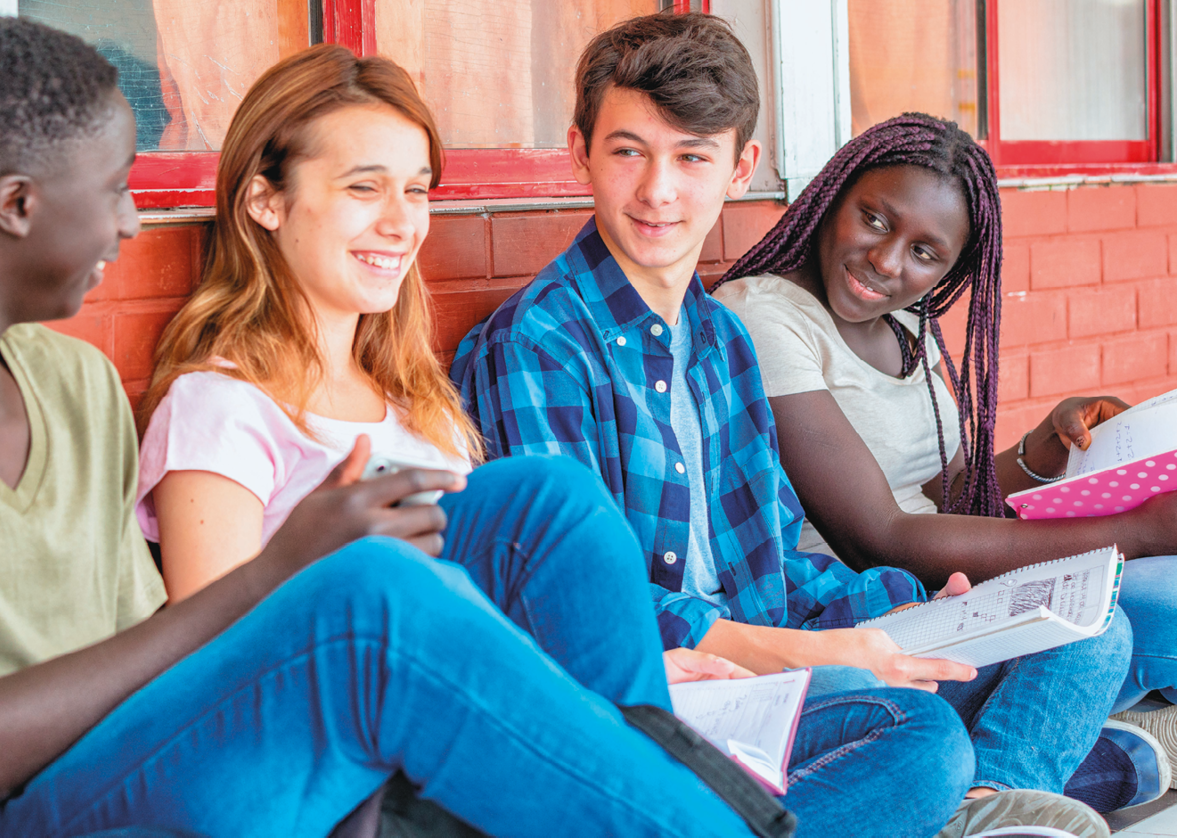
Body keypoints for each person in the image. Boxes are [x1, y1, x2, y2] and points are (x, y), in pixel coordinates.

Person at [0, 15, 786, 838]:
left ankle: (650, 792)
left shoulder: (72, 381)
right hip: (21, 814)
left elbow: (156, 655)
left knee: (545, 502)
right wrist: (283, 577)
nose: (135, 225)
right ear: (17, 206)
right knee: (372, 599)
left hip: (149, 756)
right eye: (114, 188)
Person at [135, 35, 982, 838]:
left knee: (976, 692)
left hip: (549, 714)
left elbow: (511, 613)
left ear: (739, 168)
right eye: (365, 188)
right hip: (417, 765)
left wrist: (639, 673)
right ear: (263, 198)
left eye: (418, 190)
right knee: (914, 736)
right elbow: (219, 679)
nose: (400, 222)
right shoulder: (224, 406)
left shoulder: (421, 407)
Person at [449, 10, 1130, 832]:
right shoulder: (537, 345)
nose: (659, 190)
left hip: (789, 666)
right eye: (628, 150)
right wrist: (830, 653)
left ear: (742, 167)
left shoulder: (721, 343)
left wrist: (906, 604)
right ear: (579, 152)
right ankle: (967, 794)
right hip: (667, 701)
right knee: (917, 740)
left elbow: (771, 563)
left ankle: (978, 804)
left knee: (1088, 636)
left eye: (692, 157)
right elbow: (589, 617)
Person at [712, 111, 1177, 809]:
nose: (888, 261)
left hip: (951, 588)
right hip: (861, 610)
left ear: (952, 271)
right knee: (1099, 628)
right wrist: (1136, 532)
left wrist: (1045, 448)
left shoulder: (905, 328)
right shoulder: (762, 316)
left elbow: (947, 491)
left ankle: (1041, 767)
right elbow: (881, 533)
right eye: (875, 219)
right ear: (832, 196)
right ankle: (1008, 793)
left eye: (926, 253)